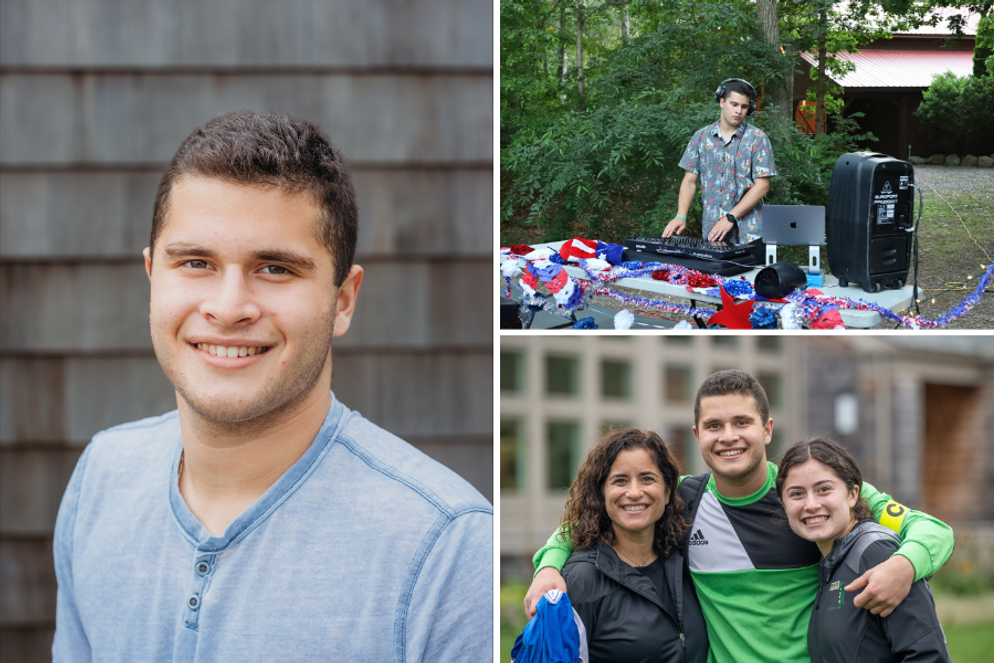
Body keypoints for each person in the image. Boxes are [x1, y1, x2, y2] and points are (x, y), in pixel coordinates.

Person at [51, 111, 493, 662]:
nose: (229, 308)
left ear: (343, 300)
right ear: (152, 276)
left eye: (276, 268)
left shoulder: (447, 551)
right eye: (195, 262)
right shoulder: (101, 479)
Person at [525, 370, 953, 663]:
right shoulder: (682, 500)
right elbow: (587, 520)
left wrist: (904, 564)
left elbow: (931, 529)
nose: (728, 436)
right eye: (714, 426)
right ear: (697, 436)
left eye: (742, 422)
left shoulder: (806, 499)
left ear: (767, 429)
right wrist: (548, 567)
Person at [776, 438, 951, 662]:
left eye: (824, 489)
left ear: (852, 495)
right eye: (797, 493)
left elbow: (928, 655)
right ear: (783, 504)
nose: (811, 504)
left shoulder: (876, 552)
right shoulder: (830, 560)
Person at [558, 428, 708, 662]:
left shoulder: (685, 559)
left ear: (668, 492)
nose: (635, 492)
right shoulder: (582, 578)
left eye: (647, 479)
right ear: (602, 494)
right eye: (620, 481)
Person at [661, 79, 776, 244]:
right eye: (734, 104)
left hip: (751, 234)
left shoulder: (758, 139)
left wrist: (730, 217)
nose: (738, 111)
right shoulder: (701, 137)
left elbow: (762, 186)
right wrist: (681, 215)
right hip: (713, 233)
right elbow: (690, 181)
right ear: (721, 101)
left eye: (744, 107)